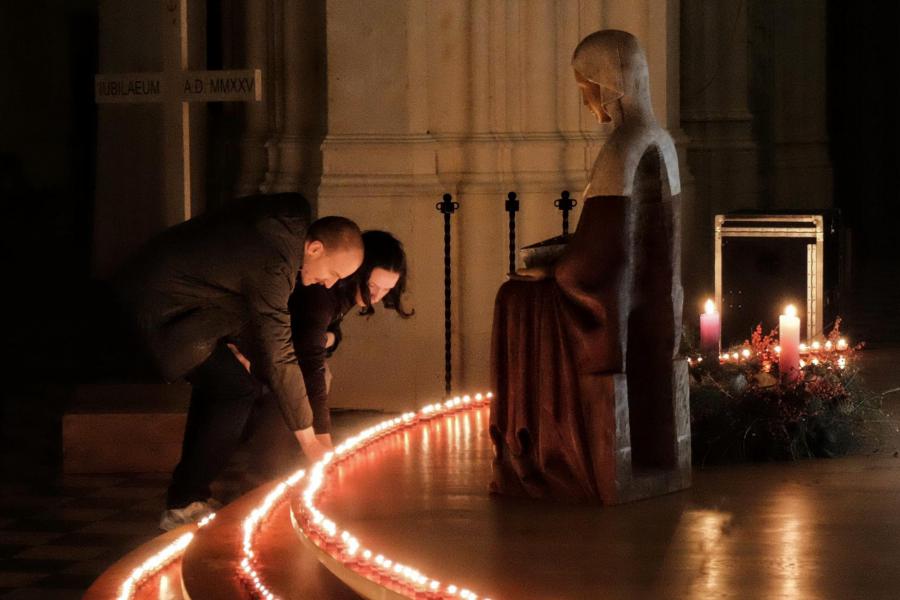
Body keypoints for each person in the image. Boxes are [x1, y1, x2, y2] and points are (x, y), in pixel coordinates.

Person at [112, 193, 364, 529]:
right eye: (332, 272)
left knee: (234, 385)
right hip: (158, 311)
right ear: (315, 248)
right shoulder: (275, 262)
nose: (330, 284)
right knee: (234, 389)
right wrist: (311, 444)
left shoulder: (281, 232)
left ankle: (189, 496)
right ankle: (183, 502)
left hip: (171, 304)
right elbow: (278, 351)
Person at [236, 230, 413, 481]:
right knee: (297, 388)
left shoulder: (346, 293)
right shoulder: (320, 293)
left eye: (386, 290)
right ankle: (263, 478)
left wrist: (329, 338)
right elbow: (311, 363)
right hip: (259, 355)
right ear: (357, 272)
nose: (376, 297)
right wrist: (321, 440)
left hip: (284, 357)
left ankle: (274, 473)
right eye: (373, 286)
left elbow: (327, 333)